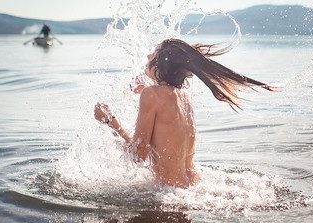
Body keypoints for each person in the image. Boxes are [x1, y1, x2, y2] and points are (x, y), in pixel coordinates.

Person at [94, 38, 274, 188]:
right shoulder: (184, 96)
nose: (148, 56)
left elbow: (138, 156)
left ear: (161, 66)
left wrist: (111, 122)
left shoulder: (151, 95)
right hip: (193, 186)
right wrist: (148, 85)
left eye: (154, 54)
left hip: (170, 194)